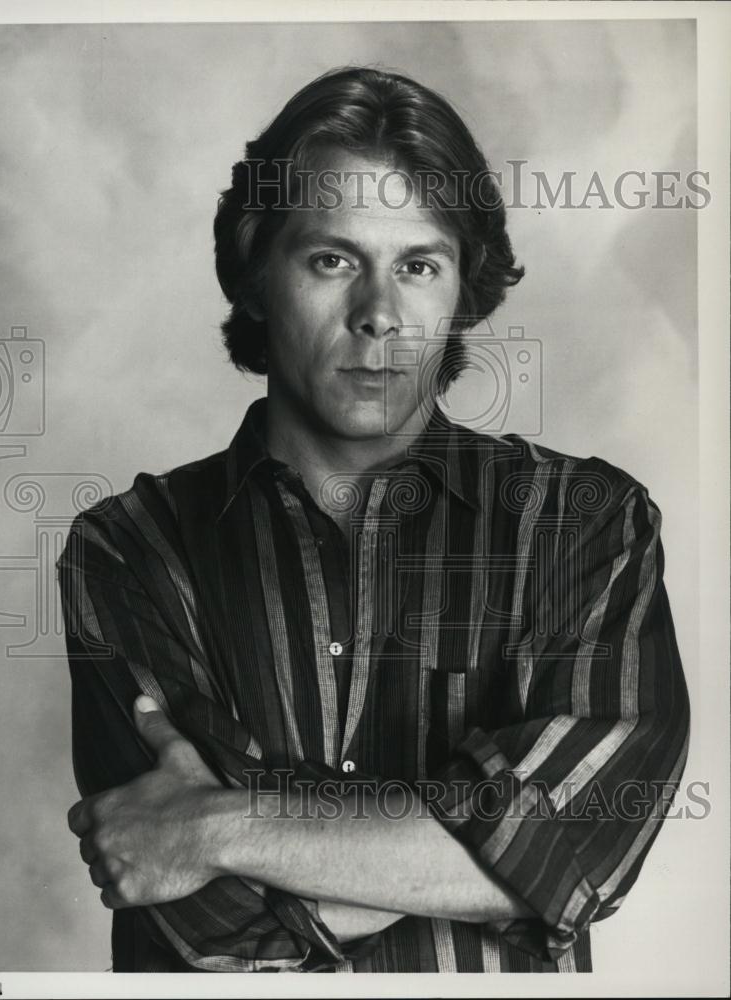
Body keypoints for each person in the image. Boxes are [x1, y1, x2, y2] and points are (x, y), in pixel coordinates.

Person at [59, 67, 690, 974]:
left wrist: (219, 823)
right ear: (255, 277)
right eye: (332, 259)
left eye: (418, 266)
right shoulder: (127, 548)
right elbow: (209, 922)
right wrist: (488, 857)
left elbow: (583, 842)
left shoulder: (585, 524)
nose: (380, 316)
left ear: (463, 290)